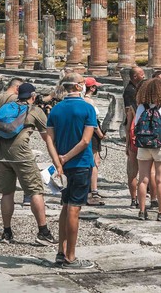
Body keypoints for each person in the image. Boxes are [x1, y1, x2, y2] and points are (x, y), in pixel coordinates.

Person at [0, 80, 57, 245]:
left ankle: (7, 232)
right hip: (21, 154)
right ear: (33, 96)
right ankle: (43, 232)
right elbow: (47, 138)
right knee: (36, 191)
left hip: (0, 152)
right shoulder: (35, 111)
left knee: (7, 193)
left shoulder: (6, 106)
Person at [43, 73, 97, 269]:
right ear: (76, 86)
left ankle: (60, 250)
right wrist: (65, 157)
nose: (84, 85)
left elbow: (49, 139)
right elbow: (85, 140)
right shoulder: (87, 108)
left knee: (65, 206)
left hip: (62, 166)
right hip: (80, 163)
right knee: (74, 209)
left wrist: (57, 161)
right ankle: (71, 257)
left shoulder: (55, 109)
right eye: (83, 82)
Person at [135, 79, 161, 221]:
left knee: (143, 179)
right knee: (160, 179)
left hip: (143, 145)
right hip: (160, 145)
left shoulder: (141, 108)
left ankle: (141, 211)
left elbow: (136, 125)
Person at [123, 65, 146, 207]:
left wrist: (127, 142)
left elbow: (128, 122)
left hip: (134, 137)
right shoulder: (131, 92)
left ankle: (134, 199)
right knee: (149, 170)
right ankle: (153, 199)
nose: (144, 75)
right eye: (141, 73)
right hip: (146, 137)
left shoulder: (133, 102)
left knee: (132, 169)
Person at [83, 77, 106, 206]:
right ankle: (94, 189)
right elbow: (93, 122)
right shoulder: (89, 101)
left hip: (86, 131)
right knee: (94, 161)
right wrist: (101, 135)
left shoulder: (82, 100)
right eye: (95, 86)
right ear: (92, 88)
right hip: (93, 133)